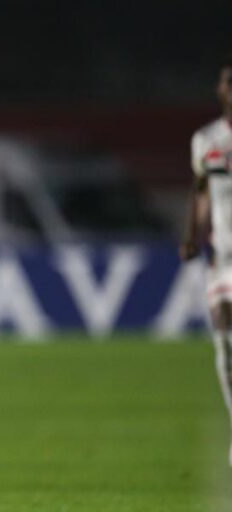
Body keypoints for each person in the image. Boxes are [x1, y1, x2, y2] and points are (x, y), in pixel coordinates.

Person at [182, 53, 232, 466]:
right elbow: (201, 192)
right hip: (223, 258)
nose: (226, 89)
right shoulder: (206, 140)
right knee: (224, 341)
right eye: (224, 82)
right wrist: (191, 235)